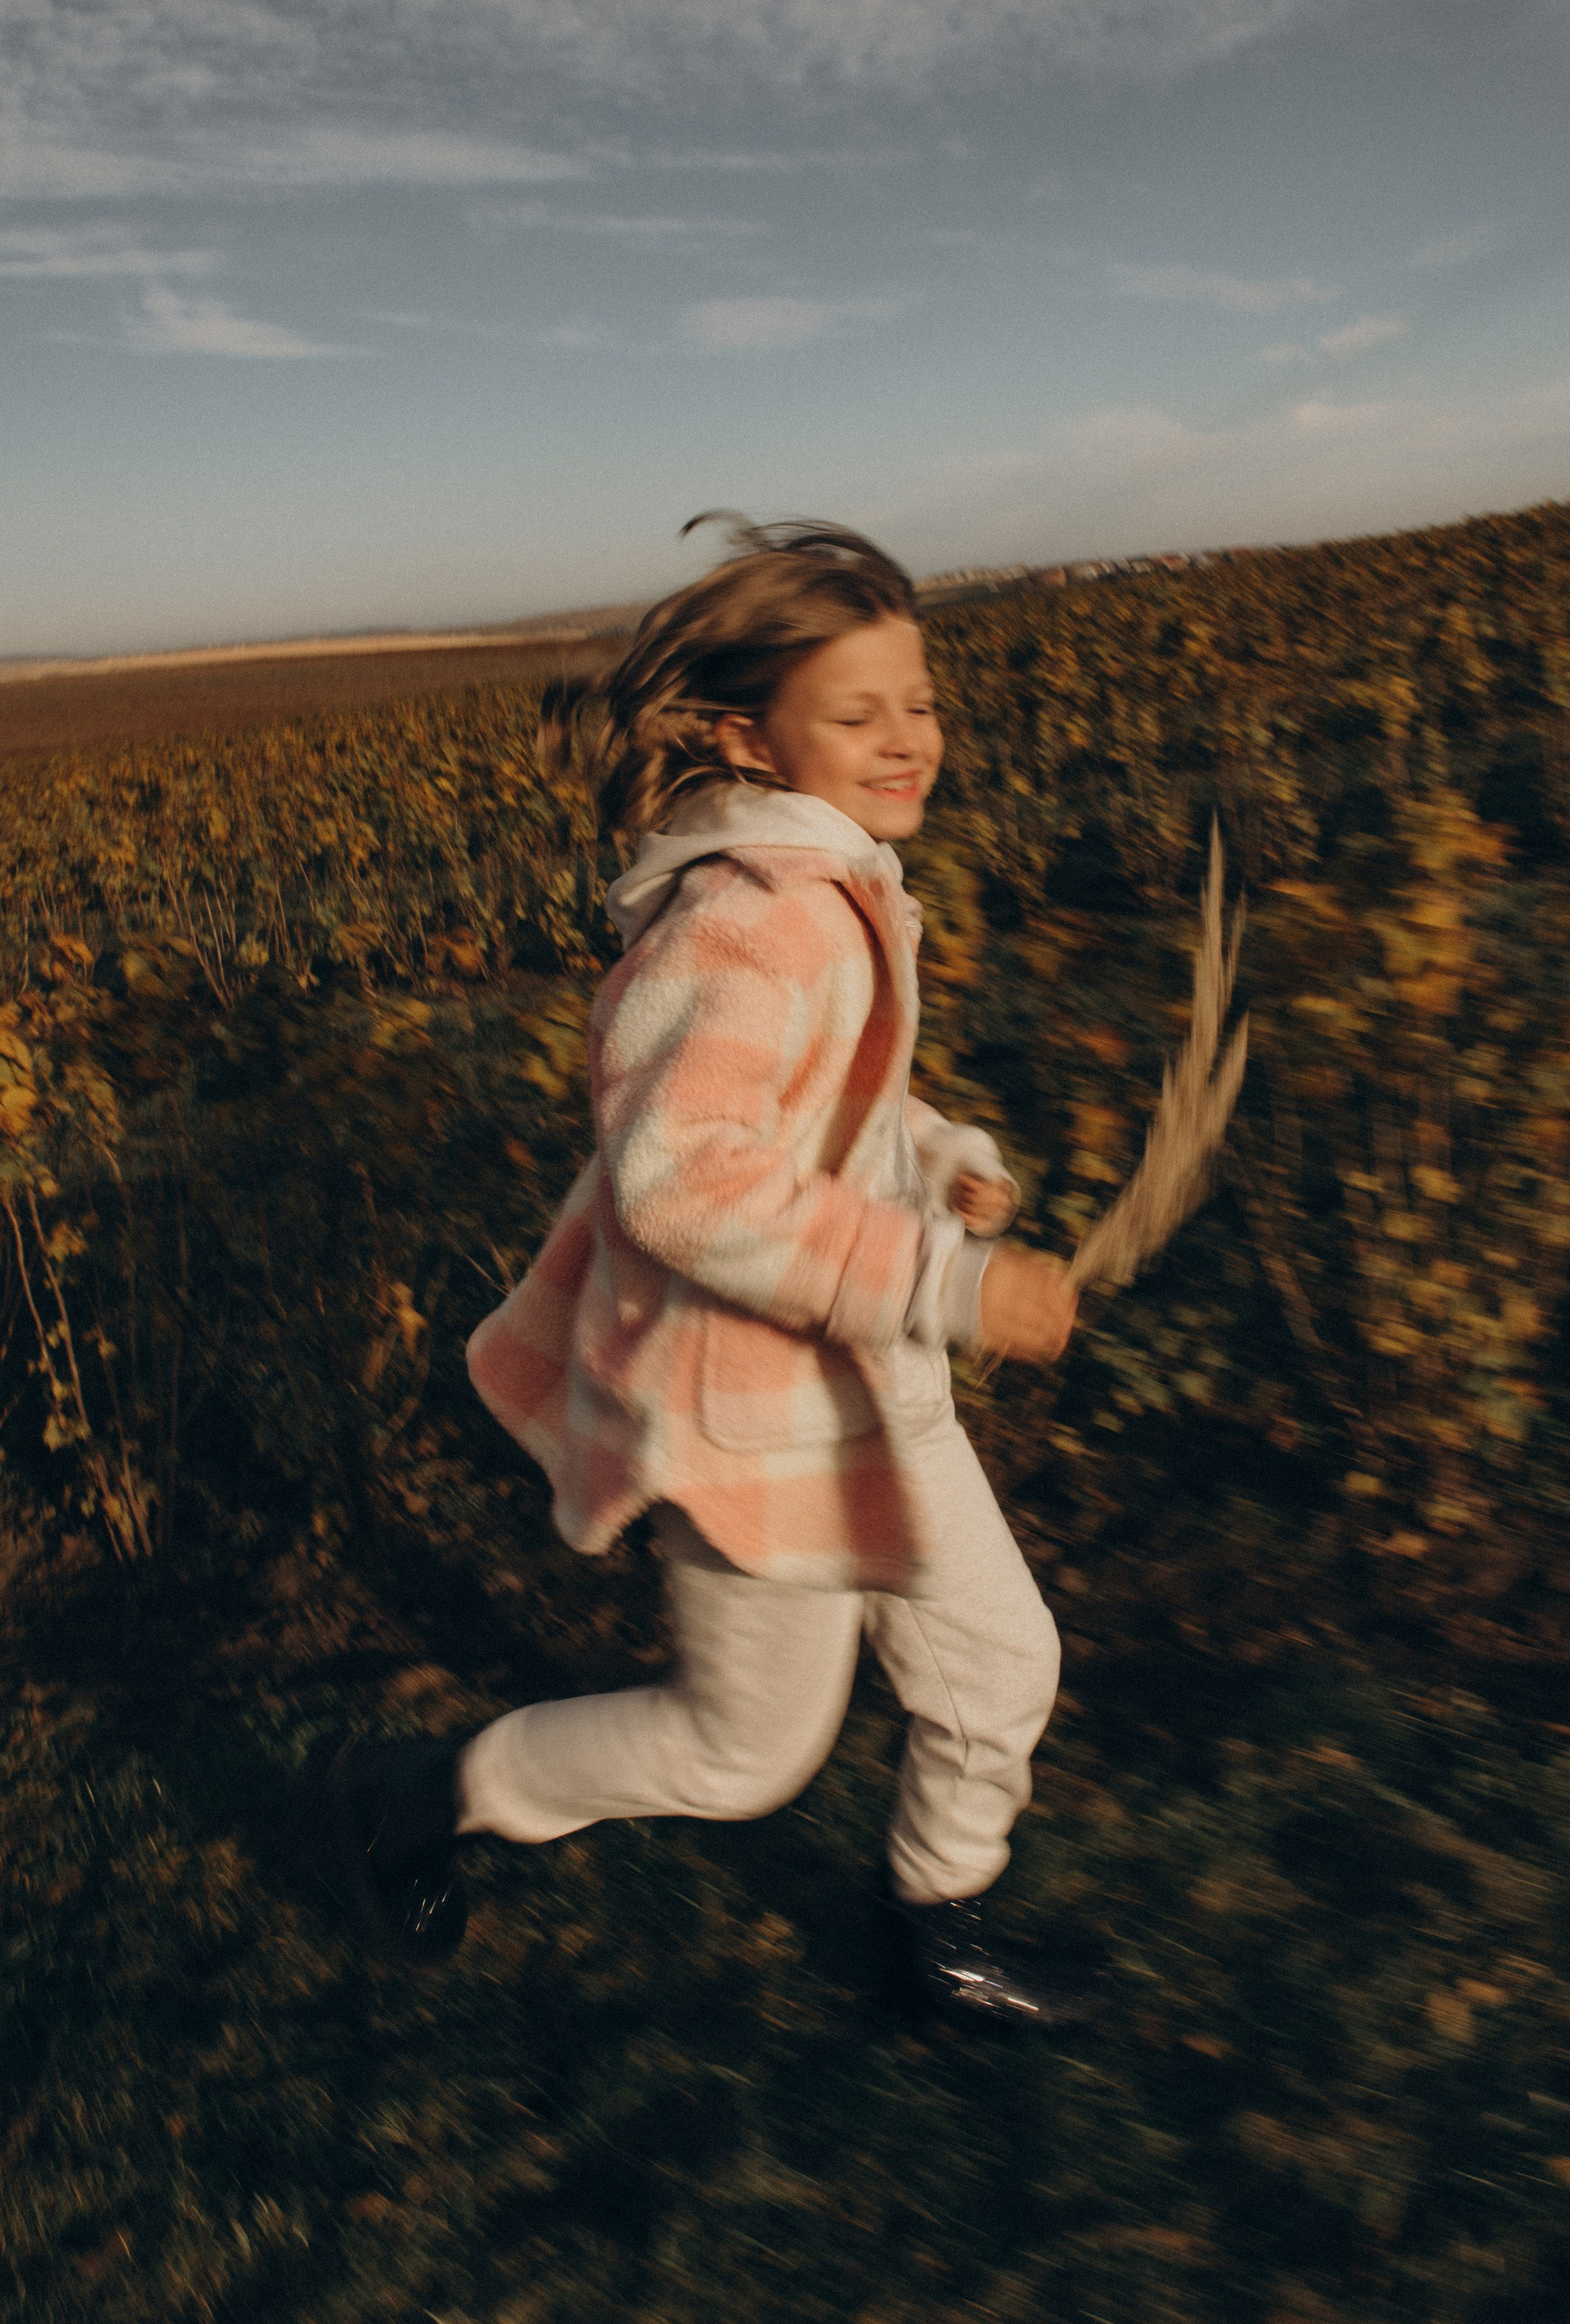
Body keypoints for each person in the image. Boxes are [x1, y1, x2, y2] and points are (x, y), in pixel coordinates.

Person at [329, 519, 1088, 2023]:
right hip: (752, 1412)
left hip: (867, 1379)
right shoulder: (753, 918)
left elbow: (817, 1111)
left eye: (917, 702)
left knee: (1001, 1662)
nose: (905, 739)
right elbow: (683, 1177)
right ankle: (425, 1794)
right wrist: (941, 1278)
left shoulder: (832, 882)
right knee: (743, 1757)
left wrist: (934, 1158)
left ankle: (939, 1930)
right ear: (751, 732)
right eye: (857, 712)